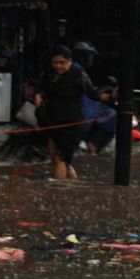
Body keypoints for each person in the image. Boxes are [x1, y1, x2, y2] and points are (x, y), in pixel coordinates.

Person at [33, 45, 112, 180]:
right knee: (56, 157)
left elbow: (93, 94)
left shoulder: (78, 75)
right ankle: (70, 189)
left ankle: (58, 192)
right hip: (52, 121)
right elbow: (43, 91)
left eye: (62, 63)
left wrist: (111, 97)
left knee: (60, 158)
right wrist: (39, 96)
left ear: (69, 61)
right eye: (55, 63)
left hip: (71, 123)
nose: (58, 66)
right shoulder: (48, 74)